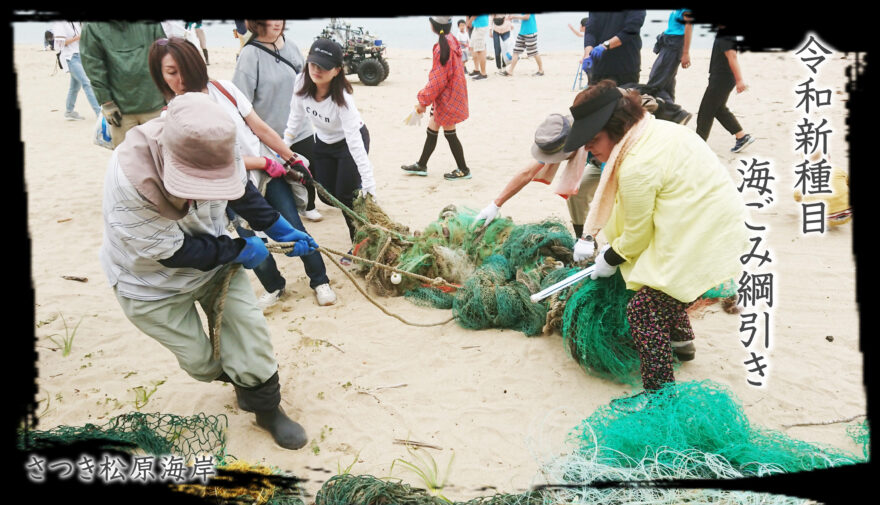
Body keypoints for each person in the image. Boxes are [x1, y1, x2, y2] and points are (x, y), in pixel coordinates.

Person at [99, 92, 318, 450]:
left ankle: (267, 409)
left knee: (250, 331)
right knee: (200, 362)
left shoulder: (216, 140)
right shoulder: (128, 181)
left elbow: (240, 191)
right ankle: (237, 381)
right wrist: (239, 248)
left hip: (216, 264)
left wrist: (276, 225)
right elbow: (172, 252)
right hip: (149, 282)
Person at [562, 80, 749, 391]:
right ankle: (682, 343)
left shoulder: (636, 164)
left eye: (593, 139)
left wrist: (607, 258)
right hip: (701, 217)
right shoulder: (654, 130)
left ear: (616, 128)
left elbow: (636, 236)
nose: (589, 149)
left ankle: (660, 394)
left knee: (644, 309)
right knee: (654, 281)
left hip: (706, 230)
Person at [149, 37, 337, 310]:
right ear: (160, 77)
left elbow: (260, 128)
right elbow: (217, 164)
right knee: (252, 240)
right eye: (171, 72)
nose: (182, 78)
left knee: (293, 227)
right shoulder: (172, 119)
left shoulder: (224, 89)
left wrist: (290, 157)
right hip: (228, 190)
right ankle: (274, 286)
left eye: (185, 67)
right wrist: (260, 161)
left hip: (266, 178)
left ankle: (320, 280)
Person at [284, 38, 377, 246]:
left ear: (336, 70)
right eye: (313, 64)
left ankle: (358, 243)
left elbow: (355, 143)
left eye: (324, 67)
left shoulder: (343, 99)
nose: (316, 70)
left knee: (345, 196)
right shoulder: (301, 81)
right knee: (326, 195)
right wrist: (283, 148)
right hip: (324, 143)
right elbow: (295, 120)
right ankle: (354, 190)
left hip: (348, 143)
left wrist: (369, 181)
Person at [233, 20, 322, 223]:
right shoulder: (249, 55)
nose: (276, 23)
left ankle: (309, 205)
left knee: (310, 168)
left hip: (300, 127)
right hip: (270, 133)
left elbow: (306, 78)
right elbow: (241, 99)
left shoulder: (290, 45)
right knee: (284, 177)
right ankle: (297, 208)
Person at [474, 113, 601, 240]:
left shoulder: (598, 136)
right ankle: (581, 237)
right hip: (596, 163)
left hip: (614, 161)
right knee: (577, 192)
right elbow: (527, 173)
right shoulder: (560, 135)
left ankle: (592, 241)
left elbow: (610, 190)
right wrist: (495, 205)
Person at [400, 17, 472, 182]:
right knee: (432, 127)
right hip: (452, 92)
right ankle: (422, 164)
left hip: (448, 96)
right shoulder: (451, 40)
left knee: (449, 132)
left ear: (434, 26)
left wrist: (423, 101)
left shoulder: (443, 47)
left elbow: (438, 80)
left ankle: (463, 169)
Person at [80, 21, 167, 147]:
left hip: (153, 102)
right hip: (121, 111)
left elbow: (164, 54)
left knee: (159, 157)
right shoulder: (93, 27)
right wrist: (106, 102)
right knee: (127, 159)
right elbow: (93, 66)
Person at [696, 29, 756, 153]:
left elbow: (732, 56)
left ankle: (698, 144)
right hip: (720, 78)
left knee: (705, 111)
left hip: (721, 79)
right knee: (719, 109)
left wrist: (739, 80)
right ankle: (742, 137)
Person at [581, 10, 646, 86]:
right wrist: (587, 54)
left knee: (624, 96)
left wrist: (605, 45)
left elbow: (631, 30)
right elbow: (590, 30)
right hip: (599, 66)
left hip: (625, 66)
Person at [51, 20, 101, 121]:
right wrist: (79, 37)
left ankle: (69, 112)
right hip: (70, 57)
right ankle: (99, 113)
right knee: (87, 83)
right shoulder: (60, 23)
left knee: (74, 86)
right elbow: (61, 43)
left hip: (80, 55)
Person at [644, 9, 693, 103]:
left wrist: (685, 53)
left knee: (655, 81)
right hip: (669, 44)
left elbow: (689, 26)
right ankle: (672, 113)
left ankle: (675, 112)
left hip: (674, 46)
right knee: (667, 84)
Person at [467, 15, 490, 80]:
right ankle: (477, 70)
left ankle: (483, 74)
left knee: (480, 50)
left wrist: (470, 21)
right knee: (472, 47)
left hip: (481, 25)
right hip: (477, 25)